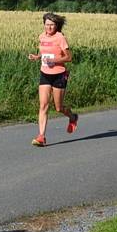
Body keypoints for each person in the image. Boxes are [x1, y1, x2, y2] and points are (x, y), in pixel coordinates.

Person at [27, 12, 79, 146]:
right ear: (43, 25)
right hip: (44, 73)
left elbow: (69, 57)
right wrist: (37, 57)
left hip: (59, 74)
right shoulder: (42, 36)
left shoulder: (60, 37)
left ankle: (72, 117)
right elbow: (44, 52)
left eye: (52, 25)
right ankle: (41, 136)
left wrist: (55, 60)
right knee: (43, 105)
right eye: (47, 25)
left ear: (56, 25)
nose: (49, 27)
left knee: (58, 108)